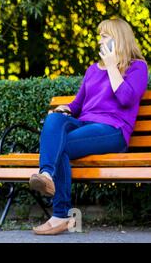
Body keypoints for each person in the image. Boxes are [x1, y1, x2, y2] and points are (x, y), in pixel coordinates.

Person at [29, 18, 148, 235]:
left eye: (105, 36)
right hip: (85, 124)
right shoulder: (93, 70)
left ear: (119, 38)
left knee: (60, 147)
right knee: (54, 120)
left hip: (113, 130)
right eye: (99, 36)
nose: (99, 40)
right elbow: (77, 105)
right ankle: (46, 176)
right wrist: (64, 109)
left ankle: (60, 216)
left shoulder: (137, 67)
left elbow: (126, 99)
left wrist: (112, 67)